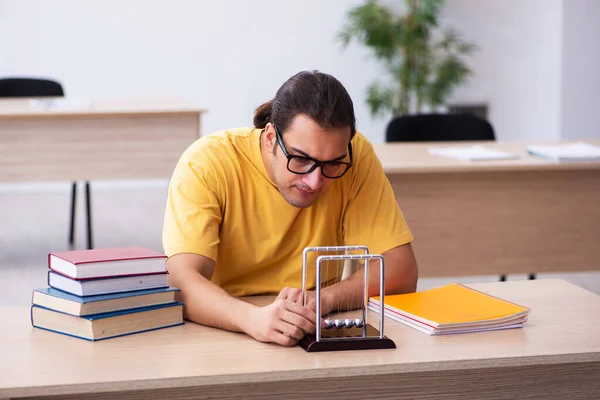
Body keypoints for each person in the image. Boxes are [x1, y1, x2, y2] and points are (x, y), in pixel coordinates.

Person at [162, 70, 418, 347]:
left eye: (332, 163)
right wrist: (251, 319)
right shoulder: (206, 163)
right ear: (271, 137)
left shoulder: (356, 156)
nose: (314, 180)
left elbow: (401, 271)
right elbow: (181, 281)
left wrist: (324, 299)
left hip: (311, 327)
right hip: (223, 327)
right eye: (300, 159)